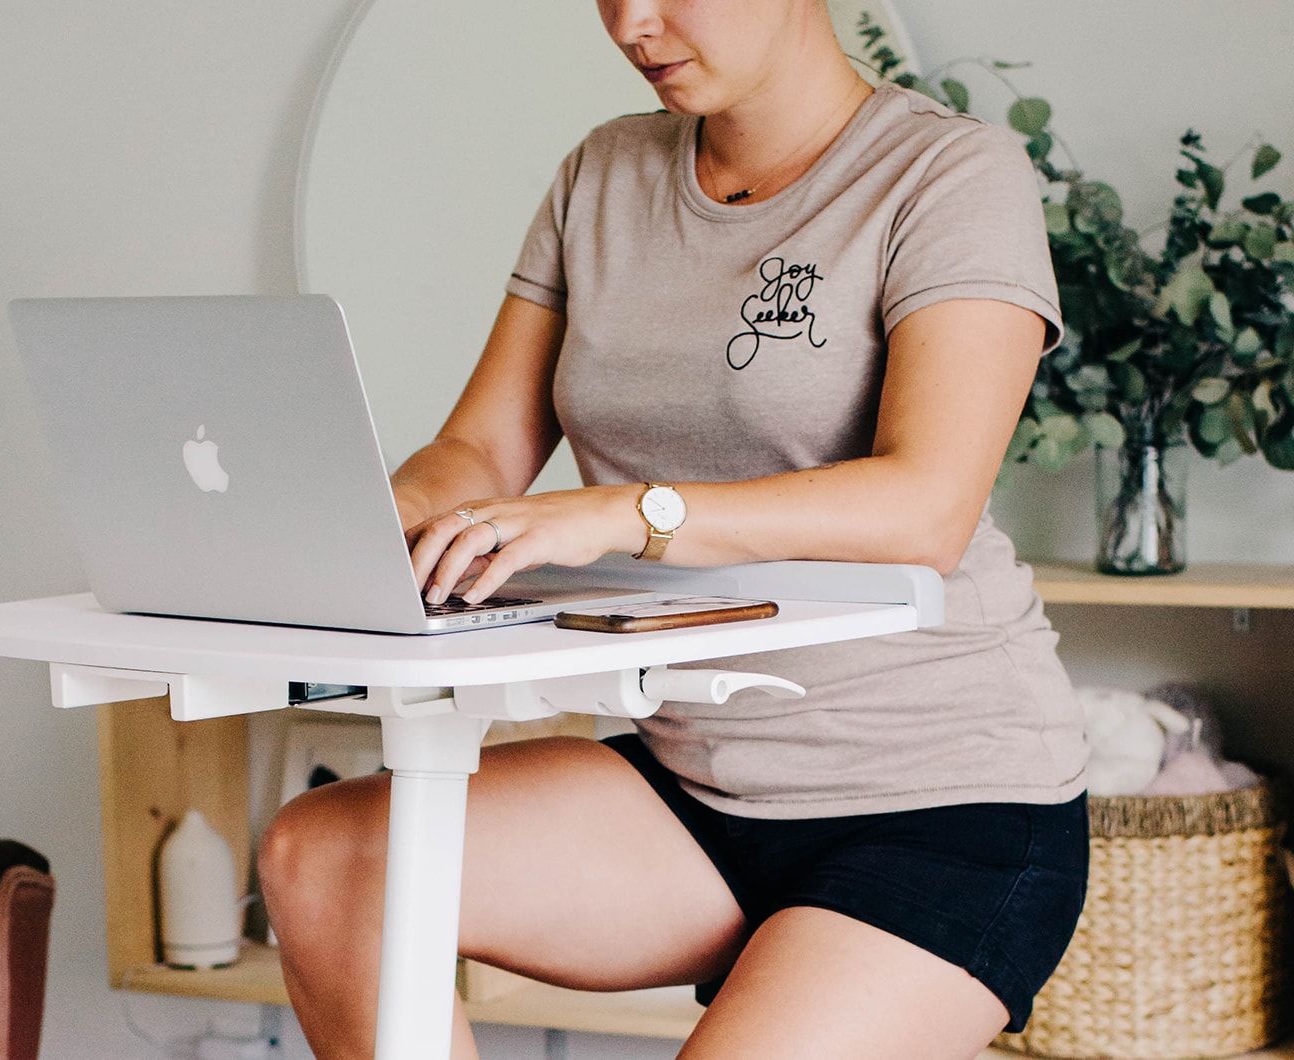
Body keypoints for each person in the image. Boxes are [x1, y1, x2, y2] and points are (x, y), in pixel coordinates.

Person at [259, 0, 1089, 1056]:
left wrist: (629, 510)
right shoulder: (602, 174)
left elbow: (924, 505)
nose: (631, 23)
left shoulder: (950, 174)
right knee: (327, 855)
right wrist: (360, 524)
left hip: (944, 802)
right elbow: (475, 453)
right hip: (702, 781)